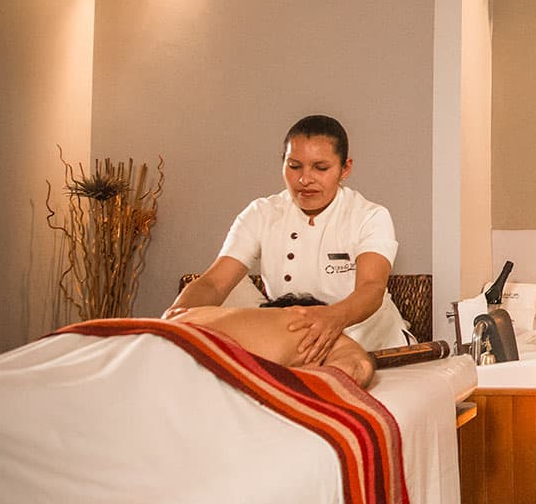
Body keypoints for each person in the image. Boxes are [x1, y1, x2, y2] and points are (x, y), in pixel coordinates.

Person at [163, 114, 409, 361]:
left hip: (374, 345)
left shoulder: (369, 216)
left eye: (321, 168)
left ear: (345, 168)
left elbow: (372, 288)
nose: (305, 179)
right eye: (294, 166)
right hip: (300, 347)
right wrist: (175, 318)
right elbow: (214, 283)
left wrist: (333, 318)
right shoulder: (262, 213)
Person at [169, 293, 376, 388]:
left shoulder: (197, 312)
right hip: (186, 360)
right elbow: (356, 369)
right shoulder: (310, 325)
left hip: (162, 332)